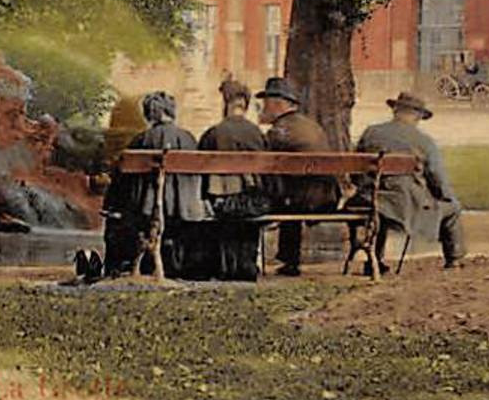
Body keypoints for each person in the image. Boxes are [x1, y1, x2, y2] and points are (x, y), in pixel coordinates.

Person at [355, 91, 466, 274]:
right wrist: (447, 198)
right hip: (405, 204)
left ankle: (374, 260)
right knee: (452, 208)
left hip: (370, 200)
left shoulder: (371, 133)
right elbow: (437, 178)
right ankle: (453, 260)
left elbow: (357, 170)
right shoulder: (423, 141)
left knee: (381, 206)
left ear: (396, 110)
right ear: (417, 115)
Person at [102, 91, 205, 277]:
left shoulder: (141, 140)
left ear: (149, 113)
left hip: (146, 208)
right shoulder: (188, 139)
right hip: (185, 208)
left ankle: (125, 266)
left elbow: (122, 178)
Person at [259, 77, 336, 277]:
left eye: (265, 103)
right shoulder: (311, 126)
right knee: (290, 193)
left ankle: (286, 260)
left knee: (266, 197)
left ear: (278, 104)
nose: (263, 107)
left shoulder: (280, 130)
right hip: (327, 198)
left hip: (300, 200)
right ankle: (288, 260)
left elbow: (262, 160)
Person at [199, 80, 269, 281]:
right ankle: (246, 265)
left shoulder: (213, 134)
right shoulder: (256, 133)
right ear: (245, 105)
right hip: (252, 202)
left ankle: (224, 266)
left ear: (225, 103)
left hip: (220, 203)